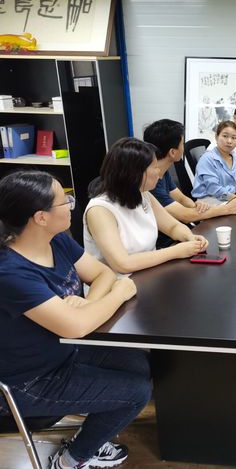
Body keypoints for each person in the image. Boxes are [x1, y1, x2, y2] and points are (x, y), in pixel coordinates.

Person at [0, 170, 151, 469]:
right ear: (40, 217)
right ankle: (71, 460)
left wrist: (88, 305)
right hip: (29, 380)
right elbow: (77, 326)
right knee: (138, 393)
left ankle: (93, 434)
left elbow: (102, 273)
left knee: (138, 363)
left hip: (62, 349)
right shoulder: (11, 272)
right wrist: (119, 293)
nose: (72, 204)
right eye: (64, 201)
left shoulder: (56, 240)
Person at [84, 137, 208, 275]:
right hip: (120, 283)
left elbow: (172, 227)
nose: (158, 172)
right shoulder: (100, 210)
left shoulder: (143, 194)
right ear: (134, 173)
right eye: (154, 167)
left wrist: (190, 237)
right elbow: (122, 264)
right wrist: (176, 251)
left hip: (149, 273)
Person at [143, 119, 236, 224]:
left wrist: (196, 205)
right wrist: (228, 208)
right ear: (173, 152)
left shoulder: (163, 172)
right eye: (182, 144)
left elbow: (182, 198)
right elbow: (185, 216)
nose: (183, 148)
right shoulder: (150, 182)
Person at [191, 120, 236, 200]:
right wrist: (234, 198)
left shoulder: (235, 159)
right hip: (209, 200)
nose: (229, 141)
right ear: (216, 137)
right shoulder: (207, 158)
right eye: (225, 136)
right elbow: (213, 188)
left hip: (228, 198)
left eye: (234, 138)